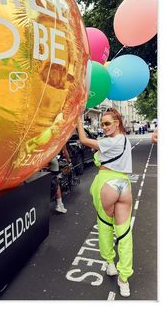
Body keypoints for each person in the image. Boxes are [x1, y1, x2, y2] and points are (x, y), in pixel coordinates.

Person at [77, 107, 133, 297]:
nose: (104, 127)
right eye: (102, 124)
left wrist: (77, 117)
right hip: (124, 185)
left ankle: (110, 263)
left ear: (117, 123)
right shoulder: (125, 139)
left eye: (108, 123)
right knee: (125, 233)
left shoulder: (109, 142)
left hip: (106, 184)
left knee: (104, 226)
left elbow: (84, 140)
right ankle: (124, 278)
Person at [49, 145, 72, 214]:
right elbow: (65, 150)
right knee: (56, 180)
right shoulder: (60, 138)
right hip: (52, 159)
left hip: (41, 160)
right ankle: (60, 205)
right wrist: (69, 160)